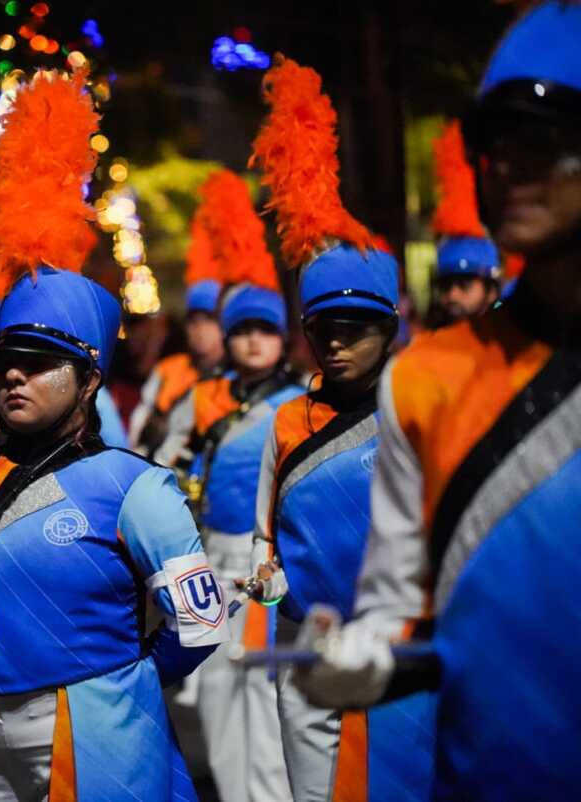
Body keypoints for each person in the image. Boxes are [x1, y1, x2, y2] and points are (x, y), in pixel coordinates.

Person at [0, 68, 225, 800]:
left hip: (96, 733)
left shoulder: (136, 485)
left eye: (38, 366)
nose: (13, 379)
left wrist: (125, 689)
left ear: (90, 380)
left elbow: (202, 619)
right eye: (3, 363)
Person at [294, 5, 581, 800]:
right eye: (495, 141)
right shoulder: (422, 376)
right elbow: (397, 603)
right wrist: (362, 658)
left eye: (547, 137)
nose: (510, 166)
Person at [242, 53, 433, 801]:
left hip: (409, 641)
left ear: (390, 330)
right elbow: (266, 525)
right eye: (322, 326)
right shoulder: (287, 419)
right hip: (308, 643)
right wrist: (265, 572)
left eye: (356, 327)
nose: (336, 342)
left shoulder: (424, 404)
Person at [160, 168, 303, 802]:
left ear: (282, 339)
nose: (251, 340)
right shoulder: (202, 397)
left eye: (264, 330)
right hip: (206, 557)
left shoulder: (302, 403)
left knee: (266, 696)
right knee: (216, 695)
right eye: (242, 329)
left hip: (268, 560)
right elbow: (164, 466)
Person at [129, 216, 225, 453]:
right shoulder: (168, 370)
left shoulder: (238, 378)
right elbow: (138, 431)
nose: (200, 330)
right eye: (194, 321)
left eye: (209, 321)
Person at [429, 119, 503, 325]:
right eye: (445, 286)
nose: (452, 295)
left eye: (464, 284)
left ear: (491, 290)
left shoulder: (521, 350)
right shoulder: (424, 352)